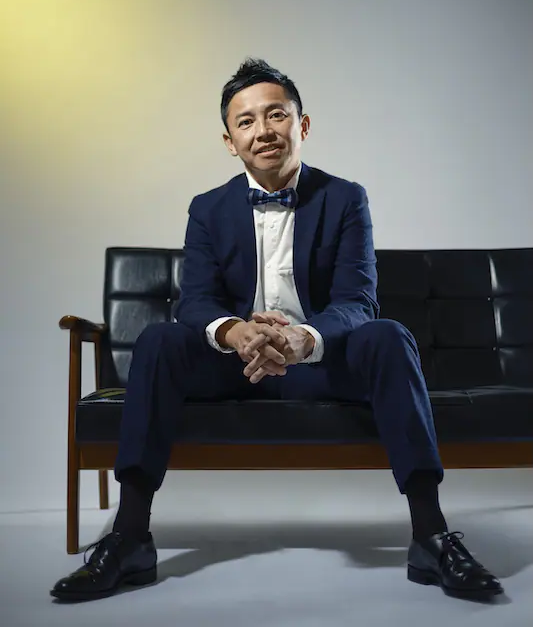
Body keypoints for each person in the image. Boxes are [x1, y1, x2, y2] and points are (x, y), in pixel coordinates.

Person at [51, 58, 502, 603]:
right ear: (230, 141)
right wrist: (236, 332)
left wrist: (302, 338)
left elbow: (357, 301)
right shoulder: (207, 208)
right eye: (246, 121)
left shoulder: (345, 197)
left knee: (388, 335)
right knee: (159, 340)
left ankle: (430, 536)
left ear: (301, 124)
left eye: (276, 115)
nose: (262, 130)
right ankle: (129, 539)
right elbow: (196, 302)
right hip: (233, 368)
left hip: (319, 366)